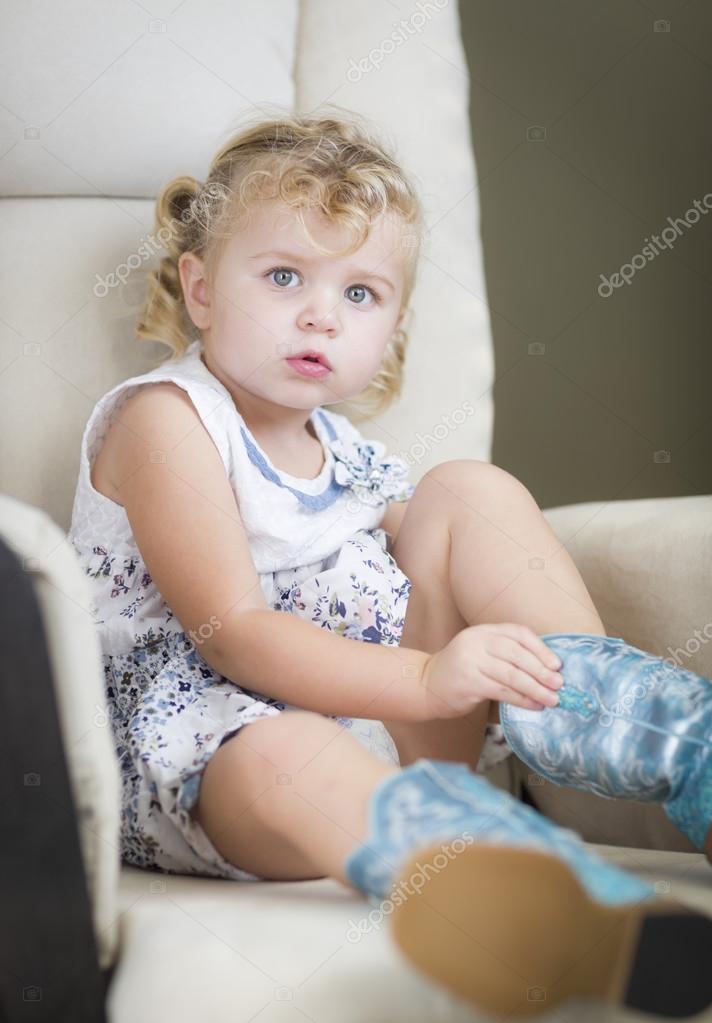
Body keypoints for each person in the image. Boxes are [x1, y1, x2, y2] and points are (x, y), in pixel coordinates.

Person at [67, 109, 712, 1018]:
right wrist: (429, 675)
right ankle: (522, 891)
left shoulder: (350, 449)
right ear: (201, 290)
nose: (321, 313)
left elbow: (441, 567)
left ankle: (656, 734)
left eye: (361, 294)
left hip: (388, 720)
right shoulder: (167, 421)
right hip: (216, 758)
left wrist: (468, 647)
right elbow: (234, 635)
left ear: (393, 322)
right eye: (284, 275)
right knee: (287, 753)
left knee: (467, 490)